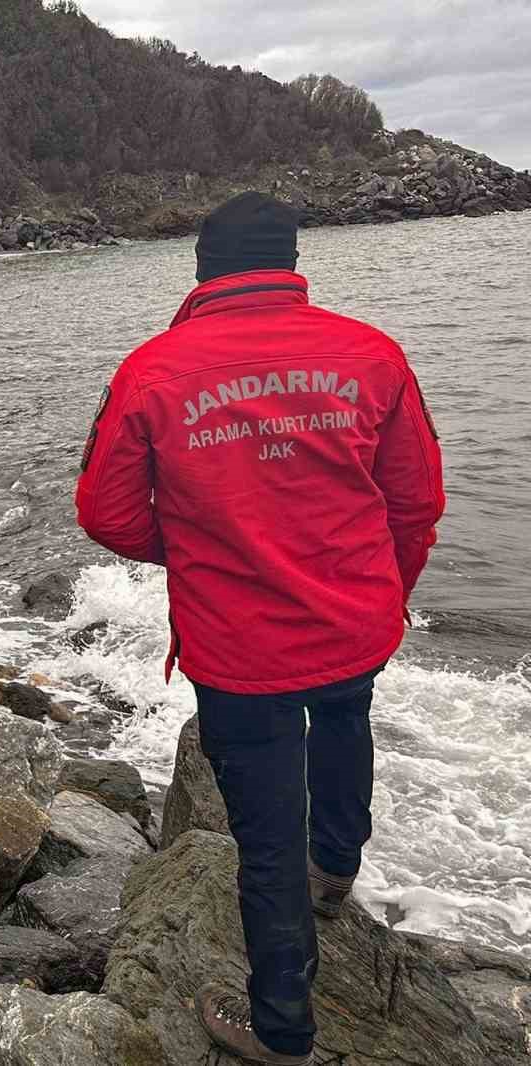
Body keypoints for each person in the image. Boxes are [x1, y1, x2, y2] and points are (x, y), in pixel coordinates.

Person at [75, 192, 445, 1065]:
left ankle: (282, 1032)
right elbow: (418, 501)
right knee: (347, 723)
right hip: (353, 617)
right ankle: (339, 868)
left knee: (264, 839)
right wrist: (386, 592)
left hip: (238, 644)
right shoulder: (372, 353)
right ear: (289, 264)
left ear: (204, 270)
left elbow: (104, 511)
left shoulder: (155, 368)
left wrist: (203, 545)